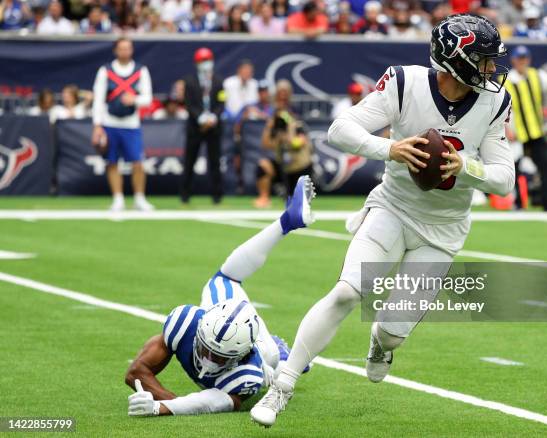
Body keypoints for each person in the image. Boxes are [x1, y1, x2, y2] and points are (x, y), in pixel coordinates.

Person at [250, 13, 515, 427]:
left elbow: (504, 180)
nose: (490, 69)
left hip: (442, 232)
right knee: (345, 293)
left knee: (392, 331)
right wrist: (388, 149)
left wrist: (465, 165)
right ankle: (282, 385)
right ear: (455, 58)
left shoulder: (495, 101)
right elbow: (340, 130)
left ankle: (380, 342)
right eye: (482, 59)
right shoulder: (404, 82)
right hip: (391, 208)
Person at [125, 176, 315, 417]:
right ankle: (287, 221)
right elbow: (135, 372)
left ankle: (286, 358)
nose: (209, 360)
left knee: (270, 357)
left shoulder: (247, 374)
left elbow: (212, 401)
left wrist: (162, 405)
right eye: (206, 349)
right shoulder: (187, 322)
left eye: (219, 356)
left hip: (260, 355)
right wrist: (168, 399)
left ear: (242, 355)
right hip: (231, 326)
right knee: (222, 281)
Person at [504, 45, 547, 211]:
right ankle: (518, 203)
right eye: (519, 59)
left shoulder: (537, 76)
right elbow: (501, 108)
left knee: (546, 166)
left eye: (525, 58)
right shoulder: (506, 80)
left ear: (528, 60)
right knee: (513, 169)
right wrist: (506, 129)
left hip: (535, 131)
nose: (522, 62)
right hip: (516, 133)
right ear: (513, 60)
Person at [91, 37, 154, 212]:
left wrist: (134, 99)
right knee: (112, 162)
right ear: (115, 51)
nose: (125, 51)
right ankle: (118, 198)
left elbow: (148, 99)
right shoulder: (105, 71)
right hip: (110, 122)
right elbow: (98, 99)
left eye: (128, 48)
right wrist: (97, 125)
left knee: (138, 162)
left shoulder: (141, 70)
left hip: (131, 124)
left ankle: (139, 198)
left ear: (132, 50)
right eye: (122, 48)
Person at [181, 47, 225, 204]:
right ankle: (185, 195)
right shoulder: (189, 81)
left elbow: (221, 102)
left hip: (213, 127)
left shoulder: (218, 81)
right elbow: (188, 103)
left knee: (215, 162)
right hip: (195, 127)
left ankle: (217, 196)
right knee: (189, 161)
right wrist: (200, 117)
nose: (206, 64)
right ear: (197, 63)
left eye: (208, 60)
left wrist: (213, 117)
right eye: (203, 61)